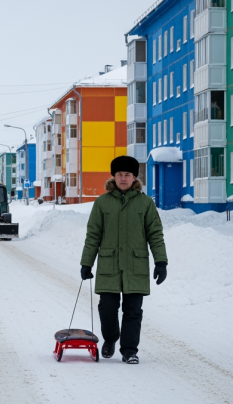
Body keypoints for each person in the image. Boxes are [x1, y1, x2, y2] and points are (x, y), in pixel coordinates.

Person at [79, 156, 168, 365]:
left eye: (127, 174)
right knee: (107, 309)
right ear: (114, 176)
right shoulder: (102, 202)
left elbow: (155, 234)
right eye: (119, 174)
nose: (123, 178)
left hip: (135, 266)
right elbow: (93, 235)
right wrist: (86, 263)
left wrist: (161, 262)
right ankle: (110, 339)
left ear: (134, 177)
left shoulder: (145, 203)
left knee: (133, 311)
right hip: (109, 265)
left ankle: (129, 350)